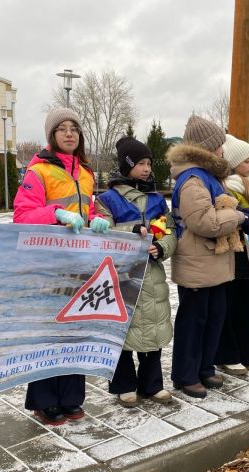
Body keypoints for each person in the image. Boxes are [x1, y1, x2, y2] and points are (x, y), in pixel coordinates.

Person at [13, 107, 110, 425]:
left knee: (75, 331)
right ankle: (44, 401)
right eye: (62, 129)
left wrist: (96, 220)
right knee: (48, 334)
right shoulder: (38, 170)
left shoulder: (86, 171)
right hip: (48, 265)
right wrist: (55, 214)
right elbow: (22, 216)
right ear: (52, 136)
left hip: (78, 263)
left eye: (74, 128)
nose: (70, 133)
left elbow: (88, 208)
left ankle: (70, 398)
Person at [167, 115, 247, 398]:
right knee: (194, 321)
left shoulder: (208, 178)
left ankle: (204, 367)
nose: (223, 151)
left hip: (212, 264)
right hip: (197, 264)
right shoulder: (192, 180)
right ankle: (186, 375)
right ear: (206, 148)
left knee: (213, 318)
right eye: (219, 145)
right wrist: (238, 216)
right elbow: (205, 223)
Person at [95, 137, 176, 406]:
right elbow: (101, 232)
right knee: (122, 330)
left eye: (149, 163)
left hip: (152, 275)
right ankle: (124, 384)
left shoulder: (156, 200)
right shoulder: (108, 199)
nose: (146, 168)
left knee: (153, 327)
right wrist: (129, 233)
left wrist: (162, 246)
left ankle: (152, 383)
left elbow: (171, 230)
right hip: (122, 274)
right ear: (126, 165)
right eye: (140, 163)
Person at [214, 135, 249, 374]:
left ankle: (248, 353)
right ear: (234, 162)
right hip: (229, 251)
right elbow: (225, 215)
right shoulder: (225, 187)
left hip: (247, 252)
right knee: (229, 303)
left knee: (244, 304)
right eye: (246, 160)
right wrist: (243, 216)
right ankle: (227, 354)